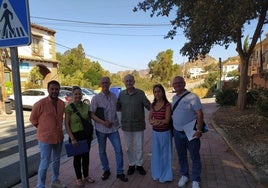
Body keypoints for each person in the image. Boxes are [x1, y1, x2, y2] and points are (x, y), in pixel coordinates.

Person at [65, 86, 109, 187]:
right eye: (75, 94)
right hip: (75, 135)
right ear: (72, 95)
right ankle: (78, 178)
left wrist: (103, 122)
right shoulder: (69, 108)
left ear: (82, 95)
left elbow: (92, 116)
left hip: (86, 135)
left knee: (86, 157)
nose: (78, 96)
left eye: (79, 94)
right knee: (77, 158)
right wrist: (72, 138)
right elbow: (67, 124)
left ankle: (86, 176)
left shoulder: (86, 106)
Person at [90, 76, 128, 182]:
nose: (105, 84)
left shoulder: (114, 97)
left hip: (114, 129)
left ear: (110, 84)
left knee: (119, 150)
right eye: (103, 83)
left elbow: (118, 109)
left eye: (107, 82)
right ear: (100, 84)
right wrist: (103, 122)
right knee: (102, 151)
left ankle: (120, 172)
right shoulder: (96, 98)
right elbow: (91, 114)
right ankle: (106, 170)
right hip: (101, 129)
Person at [30, 80, 66, 188]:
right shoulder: (40, 104)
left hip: (58, 137)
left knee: (56, 161)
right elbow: (33, 119)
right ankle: (40, 185)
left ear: (59, 90)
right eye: (52, 89)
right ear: (48, 90)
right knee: (45, 163)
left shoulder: (61, 104)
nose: (54, 91)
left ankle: (55, 181)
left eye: (56, 89)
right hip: (45, 139)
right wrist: (43, 129)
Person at [171, 76, 204, 188]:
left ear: (184, 83)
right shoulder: (174, 98)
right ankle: (184, 175)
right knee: (181, 156)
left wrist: (199, 130)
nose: (177, 85)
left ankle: (196, 179)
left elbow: (200, 114)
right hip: (177, 132)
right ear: (173, 86)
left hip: (191, 133)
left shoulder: (193, 97)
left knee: (195, 156)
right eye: (175, 83)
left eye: (180, 82)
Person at [117, 74, 151, 175]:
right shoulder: (121, 95)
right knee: (129, 148)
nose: (129, 83)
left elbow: (149, 106)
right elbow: (117, 107)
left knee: (139, 146)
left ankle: (139, 165)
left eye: (130, 81)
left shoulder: (140, 93)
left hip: (138, 126)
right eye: (127, 81)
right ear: (124, 82)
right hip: (126, 126)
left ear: (134, 82)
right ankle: (132, 164)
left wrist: (158, 110)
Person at [149, 84, 173, 183]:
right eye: (155, 92)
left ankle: (166, 176)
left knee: (165, 155)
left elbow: (167, 120)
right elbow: (149, 118)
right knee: (156, 154)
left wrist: (158, 122)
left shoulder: (167, 105)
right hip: (155, 133)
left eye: (159, 91)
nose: (157, 94)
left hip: (165, 133)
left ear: (163, 92)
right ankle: (157, 174)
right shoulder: (152, 105)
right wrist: (152, 122)